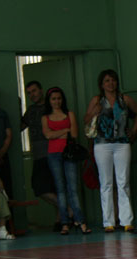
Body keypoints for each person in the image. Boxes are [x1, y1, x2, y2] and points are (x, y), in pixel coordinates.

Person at [84, 69, 137, 233]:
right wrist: (93, 112)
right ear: (102, 84)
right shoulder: (97, 100)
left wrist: (134, 131)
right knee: (106, 183)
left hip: (122, 143)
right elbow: (86, 120)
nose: (111, 84)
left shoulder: (125, 99)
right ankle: (108, 221)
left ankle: (126, 220)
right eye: (107, 81)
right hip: (102, 144)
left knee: (123, 182)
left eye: (113, 80)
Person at [42, 87, 91, 235]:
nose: (57, 101)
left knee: (72, 188)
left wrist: (57, 133)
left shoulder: (69, 114)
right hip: (53, 154)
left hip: (69, 153)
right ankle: (65, 222)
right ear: (49, 101)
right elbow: (47, 135)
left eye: (59, 98)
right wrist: (65, 130)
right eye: (53, 99)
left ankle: (81, 221)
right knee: (60, 188)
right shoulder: (45, 117)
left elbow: (74, 134)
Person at [21, 80, 66, 231]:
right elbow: (20, 126)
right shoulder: (31, 111)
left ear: (41, 90)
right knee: (39, 188)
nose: (32, 95)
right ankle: (68, 209)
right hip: (38, 154)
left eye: (34, 91)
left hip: (54, 151)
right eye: (29, 93)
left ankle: (60, 220)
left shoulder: (51, 107)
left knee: (55, 187)